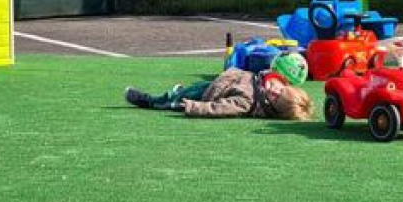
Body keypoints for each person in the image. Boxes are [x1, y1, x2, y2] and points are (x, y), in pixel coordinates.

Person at [124, 65, 314, 120]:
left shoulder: (248, 102)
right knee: (184, 90)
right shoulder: (268, 82)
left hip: (208, 93)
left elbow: (219, 108)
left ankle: (150, 101)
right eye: (280, 89)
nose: (274, 89)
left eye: (276, 96)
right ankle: (177, 94)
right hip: (216, 82)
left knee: (172, 99)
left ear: (272, 106)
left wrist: (193, 107)